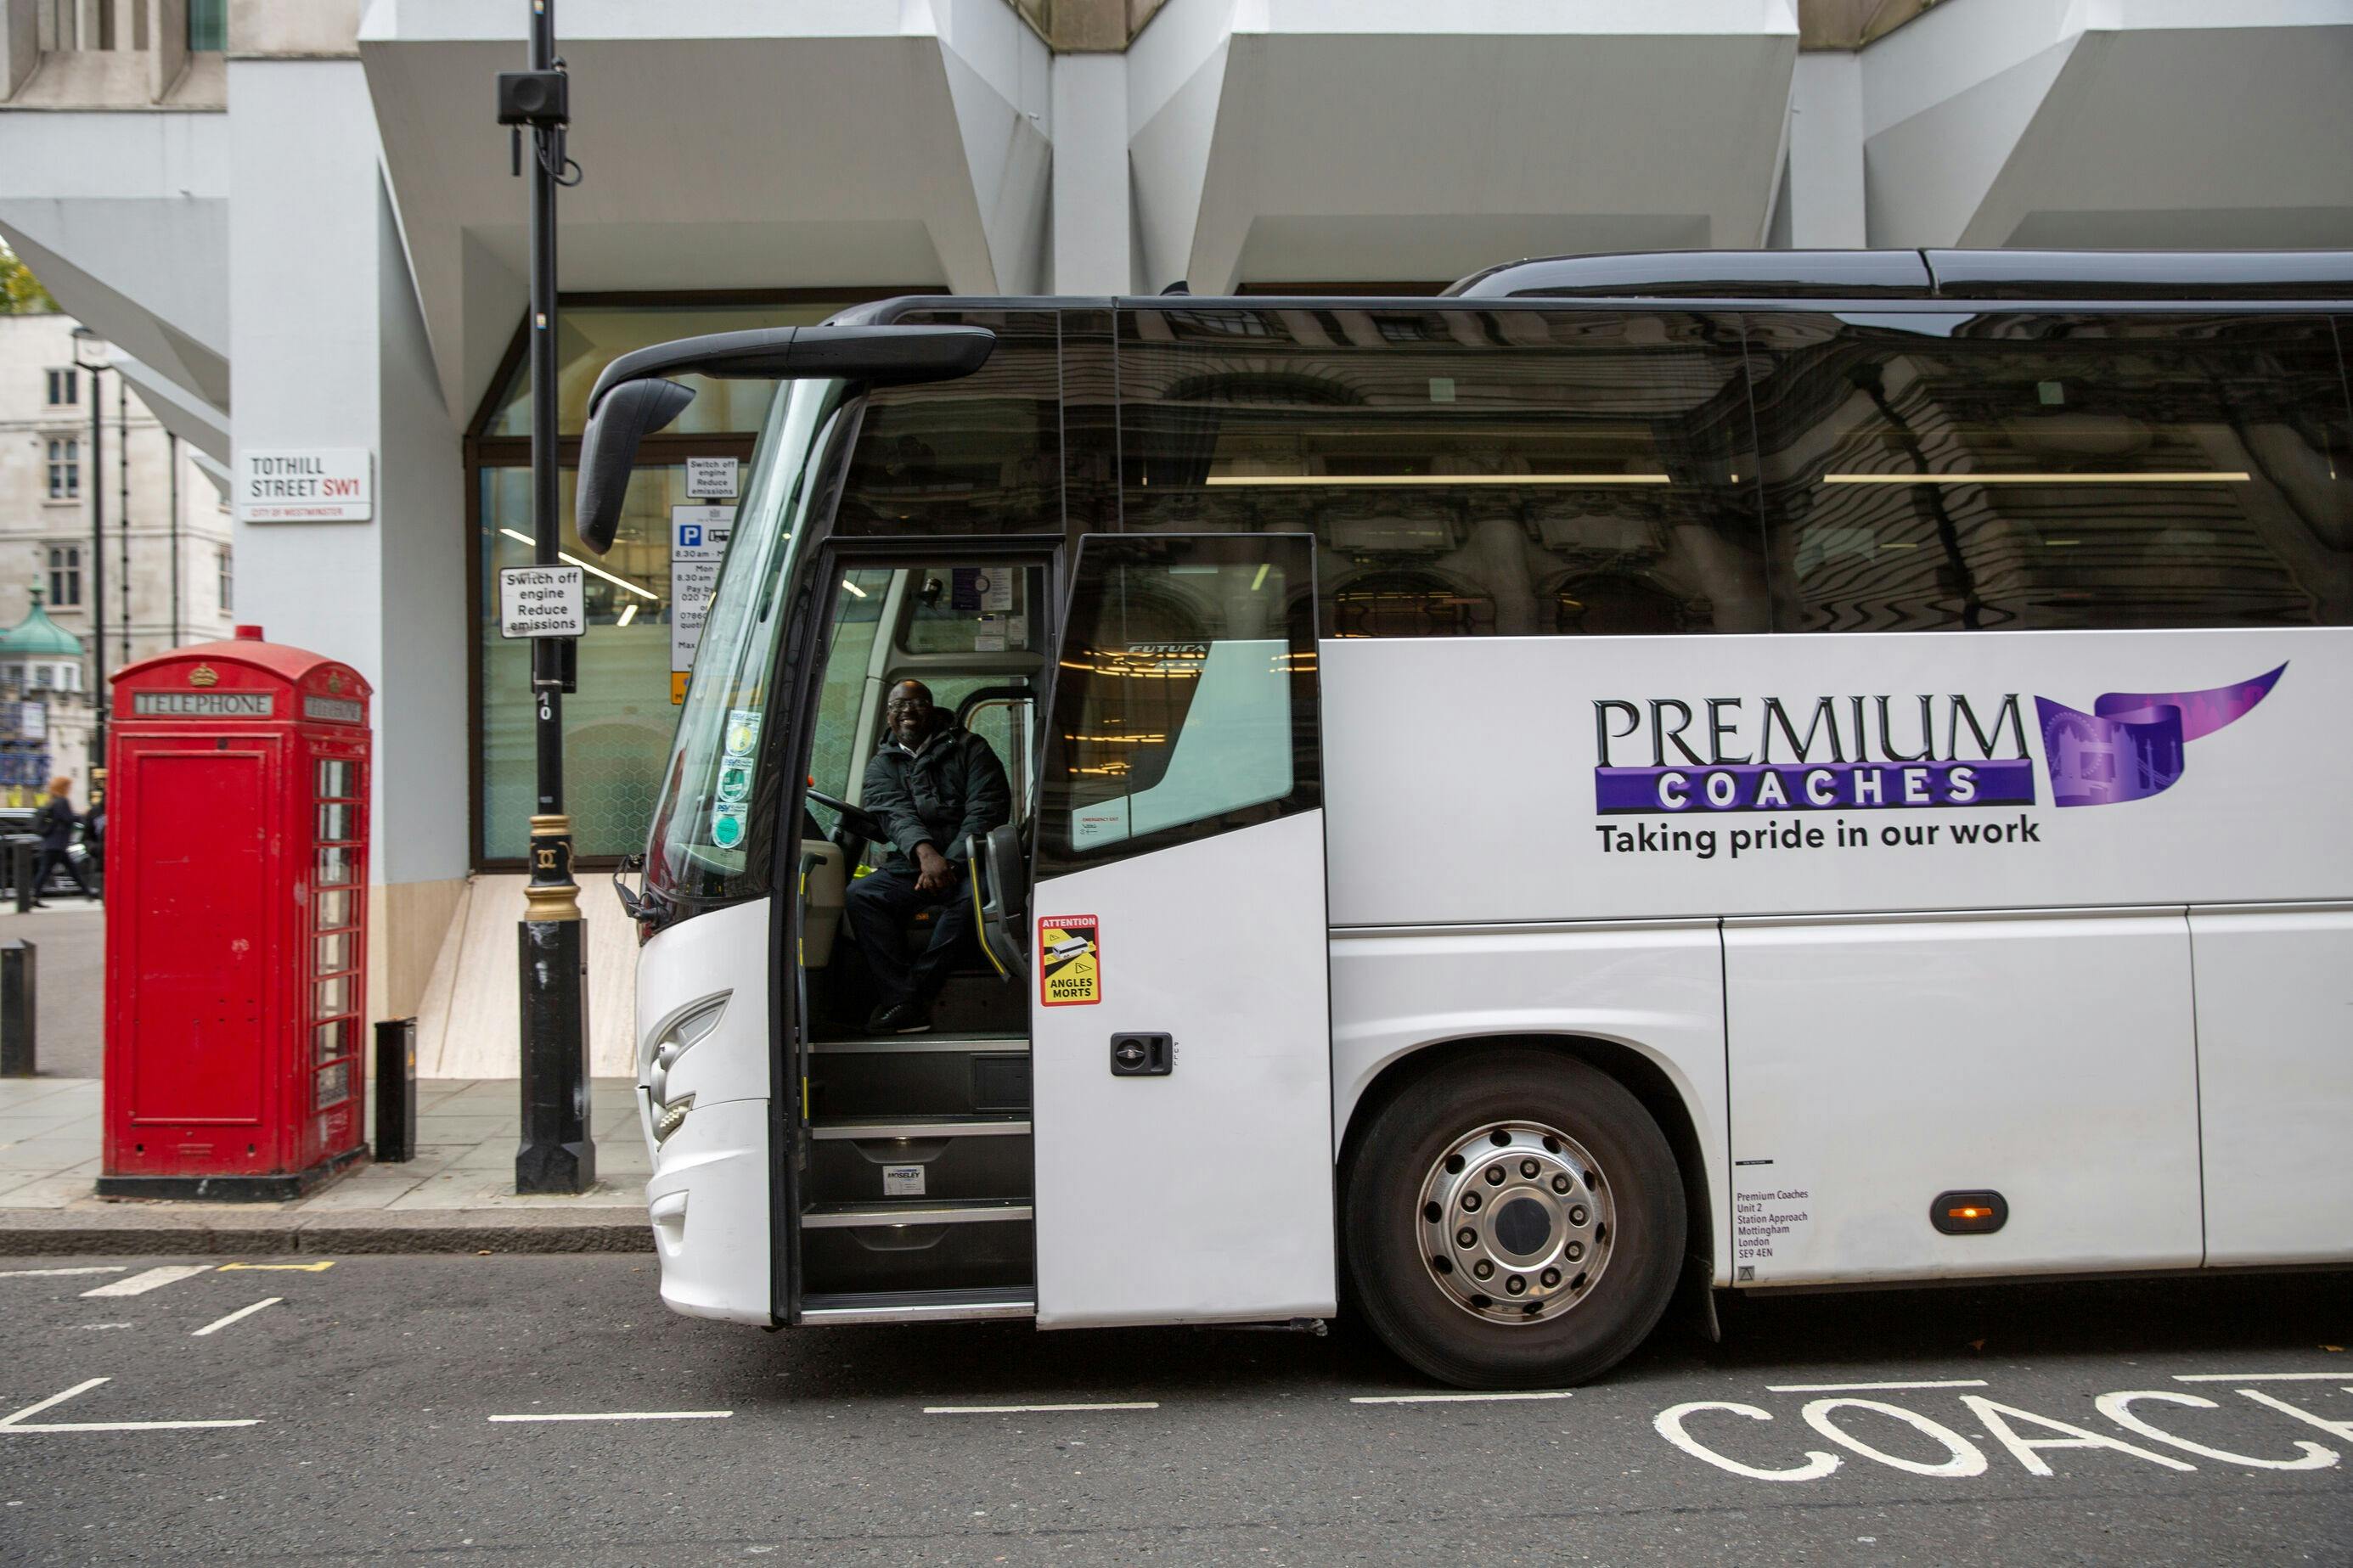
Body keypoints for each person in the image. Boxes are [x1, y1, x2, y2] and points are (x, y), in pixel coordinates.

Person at [843, 681, 1011, 1034]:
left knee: (973, 902)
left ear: (933, 709)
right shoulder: (880, 766)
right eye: (898, 705)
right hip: (913, 864)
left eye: (917, 703)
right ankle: (902, 998)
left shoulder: (972, 749)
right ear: (888, 715)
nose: (907, 710)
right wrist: (925, 856)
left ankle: (910, 999)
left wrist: (949, 862)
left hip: (969, 860)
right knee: (862, 895)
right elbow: (894, 815)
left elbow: (987, 808)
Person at [30, 776, 97, 905]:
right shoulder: (62, 801)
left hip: (52, 843)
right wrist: (82, 816)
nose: (70, 789)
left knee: (68, 870)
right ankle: (34, 896)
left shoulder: (52, 801)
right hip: (56, 844)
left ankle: (87, 893)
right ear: (63, 787)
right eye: (68, 786)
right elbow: (67, 818)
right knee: (47, 870)